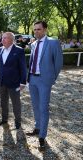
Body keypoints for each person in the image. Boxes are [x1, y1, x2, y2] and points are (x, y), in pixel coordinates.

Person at [26, 21, 63, 151]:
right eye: (35, 29)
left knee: (43, 108)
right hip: (32, 79)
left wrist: (51, 79)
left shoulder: (53, 42)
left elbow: (58, 63)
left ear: (45, 29)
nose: (36, 32)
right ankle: (37, 127)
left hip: (44, 81)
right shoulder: (34, 44)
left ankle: (42, 136)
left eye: (39, 29)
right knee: (35, 106)